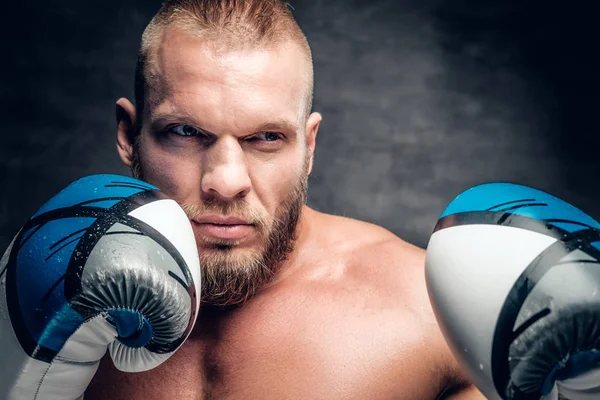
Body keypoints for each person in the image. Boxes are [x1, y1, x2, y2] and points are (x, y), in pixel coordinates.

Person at [85, 0, 485, 398]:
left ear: (309, 147)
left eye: (266, 138)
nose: (226, 182)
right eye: (186, 132)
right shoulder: (52, 299)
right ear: (128, 136)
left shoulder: (430, 312)